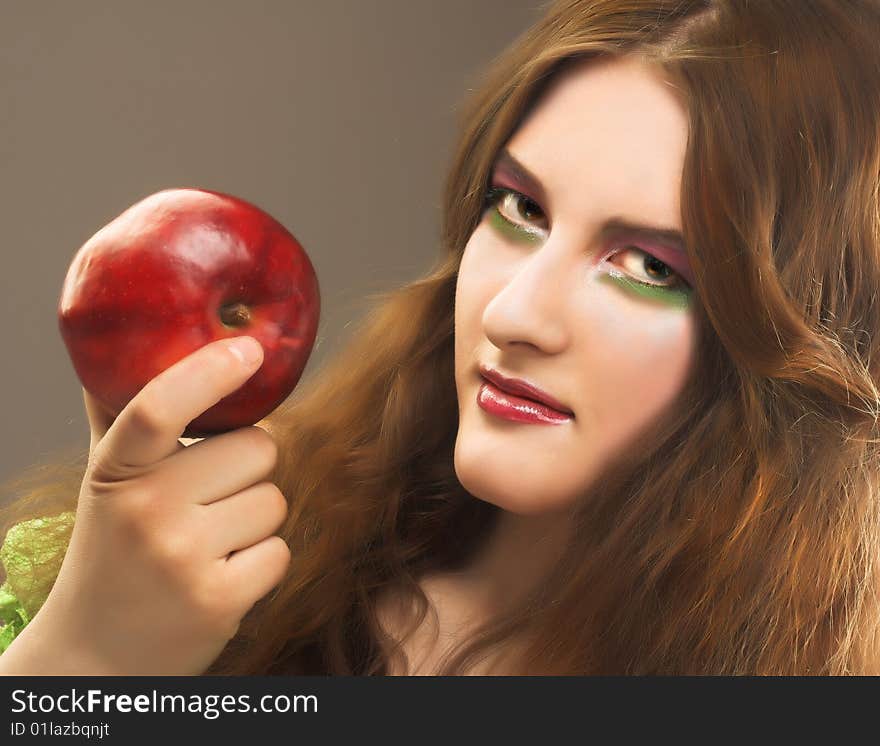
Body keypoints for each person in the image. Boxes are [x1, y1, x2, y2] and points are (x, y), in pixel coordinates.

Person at [2, 0, 880, 676]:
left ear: (792, 348)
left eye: (650, 267)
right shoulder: (148, 575)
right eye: (521, 209)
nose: (512, 315)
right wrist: (84, 663)